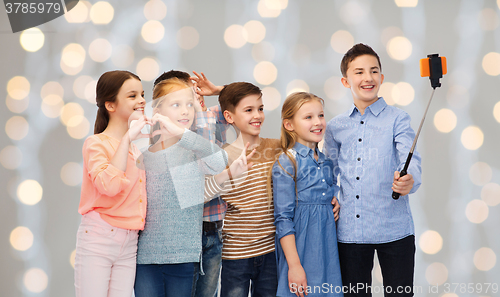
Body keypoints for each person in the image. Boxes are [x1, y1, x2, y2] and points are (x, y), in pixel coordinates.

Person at [323, 43, 422, 297]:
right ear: (346, 81)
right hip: (351, 233)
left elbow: (410, 160)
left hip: (394, 229)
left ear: (382, 77)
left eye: (373, 71)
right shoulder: (335, 126)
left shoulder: (398, 119)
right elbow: (328, 172)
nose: (367, 77)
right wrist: (330, 197)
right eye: (359, 72)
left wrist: (409, 180)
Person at [133, 77, 228, 297]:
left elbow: (220, 162)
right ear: (157, 109)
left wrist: (182, 134)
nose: (185, 111)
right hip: (146, 260)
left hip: (185, 259)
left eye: (189, 105)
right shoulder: (142, 156)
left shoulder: (194, 150)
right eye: (176, 105)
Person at [74, 70, 151, 297]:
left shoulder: (137, 149)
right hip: (99, 237)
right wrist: (127, 139)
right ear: (110, 105)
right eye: (132, 95)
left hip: (129, 242)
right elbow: (109, 185)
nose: (142, 100)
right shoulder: (95, 143)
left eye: (142, 94)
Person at [203, 82, 281, 297]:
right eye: (249, 110)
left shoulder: (277, 147)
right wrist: (223, 93)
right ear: (229, 117)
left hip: (271, 252)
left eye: (261, 108)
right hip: (235, 255)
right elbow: (202, 193)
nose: (257, 115)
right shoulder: (221, 157)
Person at [272, 92, 343, 297]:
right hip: (301, 248)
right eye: (308, 117)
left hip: (327, 247)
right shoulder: (287, 162)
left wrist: (334, 199)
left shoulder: (326, 161)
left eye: (320, 115)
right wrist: (294, 266)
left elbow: (326, 193)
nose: (318, 122)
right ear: (289, 125)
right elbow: (283, 219)